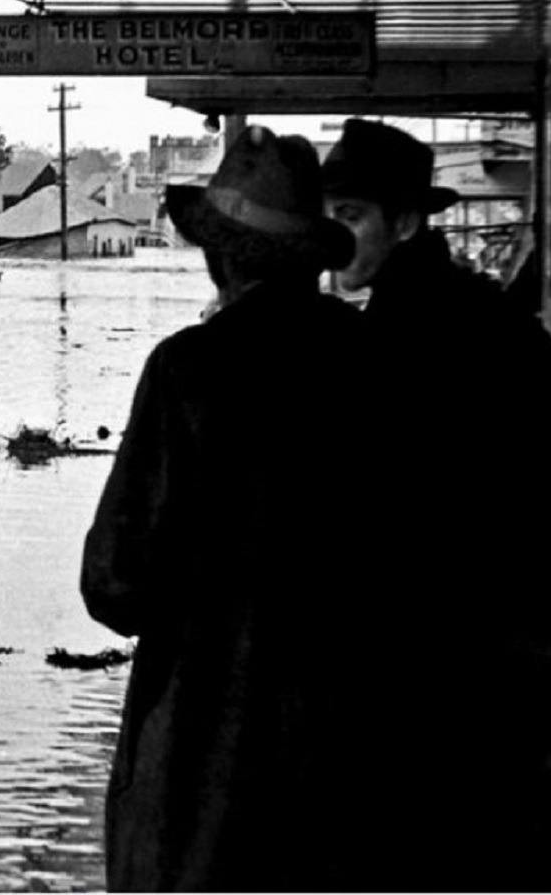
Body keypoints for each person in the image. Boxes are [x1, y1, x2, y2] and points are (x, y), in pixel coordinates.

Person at [80, 126, 378, 891]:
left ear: (221, 254)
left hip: (199, 781)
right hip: (348, 776)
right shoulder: (382, 369)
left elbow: (114, 581)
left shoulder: (188, 372)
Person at [321, 117, 551, 890]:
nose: (332, 239)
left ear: (408, 222)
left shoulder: (397, 338)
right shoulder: (483, 317)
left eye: (350, 219)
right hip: (498, 676)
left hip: (438, 684)